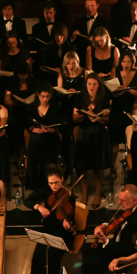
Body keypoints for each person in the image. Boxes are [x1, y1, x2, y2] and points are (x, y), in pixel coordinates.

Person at [24, 168, 75, 274]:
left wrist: (68, 225)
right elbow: (27, 200)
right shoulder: (47, 190)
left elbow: (73, 223)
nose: (53, 186)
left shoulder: (70, 197)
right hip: (48, 231)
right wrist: (39, 207)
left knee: (52, 259)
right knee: (37, 257)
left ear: (62, 179)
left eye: (56, 182)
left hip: (62, 235)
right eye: (51, 183)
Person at [72, 73, 111, 208]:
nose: (92, 87)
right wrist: (84, 115)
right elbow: (74, 118)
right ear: (86, 85)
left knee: (98, 166)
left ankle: (97, 194)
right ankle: (84, 193)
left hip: (99, 134)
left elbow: (107, 118)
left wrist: (98, 118)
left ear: (99, 85)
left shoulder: (104, 98)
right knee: (83, 167)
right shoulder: (80, 98)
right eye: (89, 84)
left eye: (94, 84)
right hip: (84, 133)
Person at [108, 51, 137, 179]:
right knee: (114, 141)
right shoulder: (115, 71)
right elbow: (111, 90)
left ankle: (130, 166)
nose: (126, 64)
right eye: (124, 61)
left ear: (133, 62)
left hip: (132, 107)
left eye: (128, 61)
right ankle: (113, 165)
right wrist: (117, 91)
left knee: (131, 140)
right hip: (117, 107)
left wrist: (127, 89)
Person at [57, 51, 88, 180]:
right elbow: (59, 92)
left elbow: (88, 91)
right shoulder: (62, 74)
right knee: (65, 140)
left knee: (79, 139)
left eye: (73, 63)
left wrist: (77, 93)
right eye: (68, 63)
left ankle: (80, 166)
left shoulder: (84, 73)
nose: (71, 66)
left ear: (78, 62)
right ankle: (68, 168)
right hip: (65, 107)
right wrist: (66, 93)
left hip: (80, 106)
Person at [25, 81, 61, 190]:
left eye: (47, 96)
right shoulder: (31, 107)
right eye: (42, 96)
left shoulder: (55, 107)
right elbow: (27, 124)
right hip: (36, 139)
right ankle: (36, 187)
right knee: (36, 147)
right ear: (37, 95)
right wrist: (33, 129)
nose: (45, 99)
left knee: (48, 161)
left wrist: (50, 129)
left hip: (50, 139)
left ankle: (49, 186)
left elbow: (58, 126)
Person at [4, 62, 38, 164]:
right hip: (16, 113)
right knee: (17, 134)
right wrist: (18, 102)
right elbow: (6, 100)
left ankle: (30, 158)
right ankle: (19, 160)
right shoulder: (11, 83)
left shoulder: (33, 82)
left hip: (30, 113)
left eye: (25, 74)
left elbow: (38, 96)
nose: (23, 77)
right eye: (20, 74)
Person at [71, 0, 110, 68]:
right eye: (87, 5)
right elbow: (73, 43)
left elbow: (107, 42)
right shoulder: (79, 21)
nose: (89, 9)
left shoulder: (104, 23)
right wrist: (73, 36)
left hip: (96, 58)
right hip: (81, 59)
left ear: (97, 5)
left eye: (92, 6)